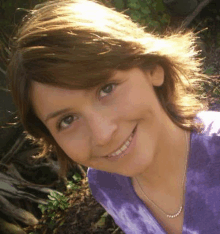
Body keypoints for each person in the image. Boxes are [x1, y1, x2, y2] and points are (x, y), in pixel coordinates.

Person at [7, 0, 220, 233]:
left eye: (106, 89)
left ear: (152, 68)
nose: (103, 135)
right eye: (67, 120)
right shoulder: (106, 183)